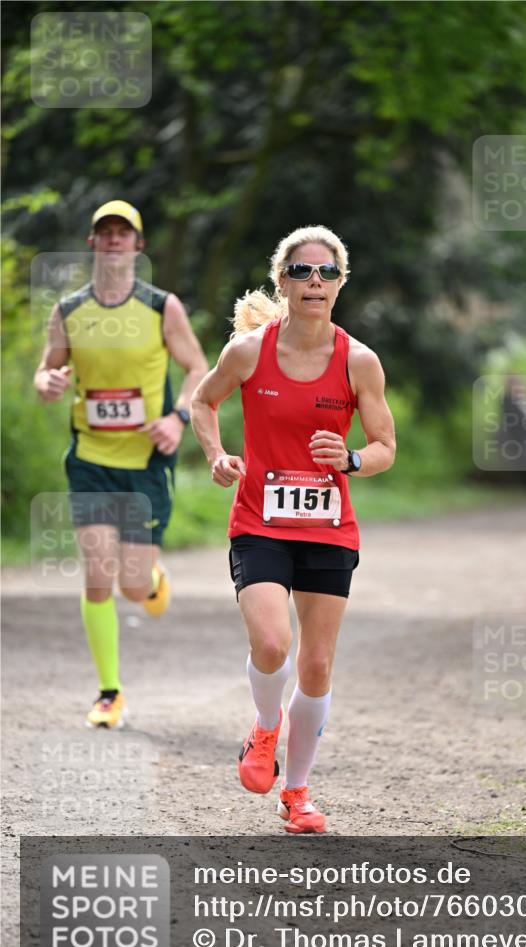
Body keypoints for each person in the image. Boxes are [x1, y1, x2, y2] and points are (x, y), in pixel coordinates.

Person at [191, 225, 396, 833]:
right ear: (282, 281)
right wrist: (217, 455)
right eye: (303, 272)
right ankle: (264, 727)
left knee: (317, 667)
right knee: (274, 644)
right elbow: (204, 402)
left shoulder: (359, 361)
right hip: (260, 521)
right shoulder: (250, 352)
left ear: (340, 285)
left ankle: (298, 793)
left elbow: (385, 446)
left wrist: (352, 459)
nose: (315, 281)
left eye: (327, 273)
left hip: (329, 529)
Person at [34, 199, 208, 729]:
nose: (113, 240)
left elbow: (198, 366)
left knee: (134, 586)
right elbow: (46, 373)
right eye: (104, 232)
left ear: (139, 245)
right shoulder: (68, 311)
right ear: (92, 242)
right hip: (90, 460)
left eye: (122, 233)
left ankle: (150, 581)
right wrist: (50, 382)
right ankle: (110, 693)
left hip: (145, 466)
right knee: (96, 574)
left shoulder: (162, 308)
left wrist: (178, 417)